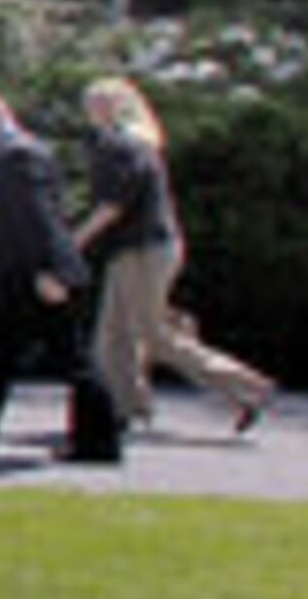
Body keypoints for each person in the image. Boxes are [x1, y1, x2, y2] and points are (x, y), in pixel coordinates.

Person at [74, 75, 277, 436]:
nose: (91, 109)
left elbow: (113, 206)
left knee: (152, 334)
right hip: (140, 248)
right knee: (113, 334)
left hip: (143, 249)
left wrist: (73, 243)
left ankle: (248, 388)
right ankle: (126, 408)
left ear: (118, 107)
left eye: (99, 102)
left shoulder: (120, 145)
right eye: (90, 101)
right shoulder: (135, 144)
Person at [0, 90, 113, 461]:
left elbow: (38, 219)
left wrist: (50, 271)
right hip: (8, 272)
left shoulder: (20, 156)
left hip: (36, 275)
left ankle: (98, 442)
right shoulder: (15, 154)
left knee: (71, 358)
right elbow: (6, 219)